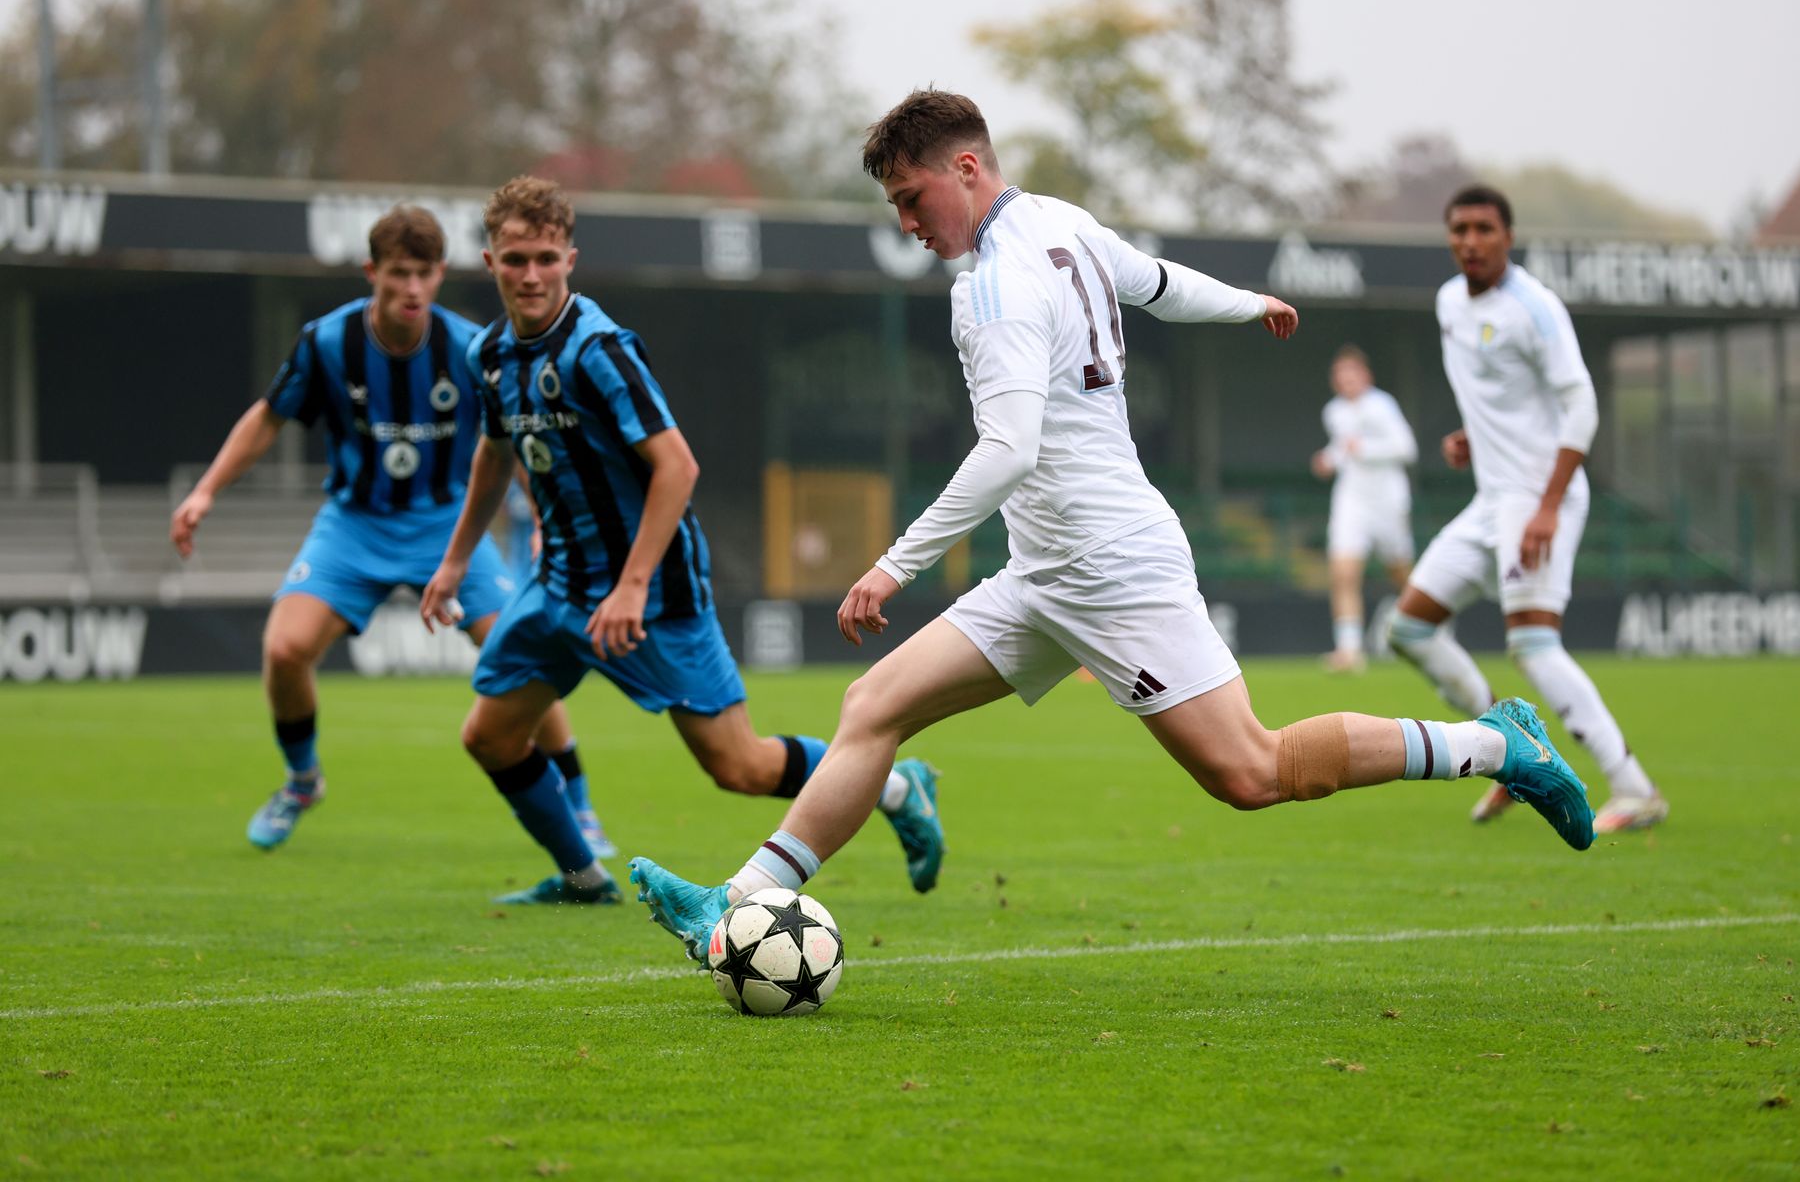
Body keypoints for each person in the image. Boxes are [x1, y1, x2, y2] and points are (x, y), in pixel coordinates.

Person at [627, 90, 1596, 962]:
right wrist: (1248, 304)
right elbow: (1160, 283)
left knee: (1251, 772)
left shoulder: (993, 287)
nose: (908, 223)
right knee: (872, 709)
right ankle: (739, 901)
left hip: (1111, 565)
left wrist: (891, 565)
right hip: (1044, 570)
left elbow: (1008, 448)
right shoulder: (1060, 221)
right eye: (895, 207)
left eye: (912, 199)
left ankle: (1498, 746)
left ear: (967, 170)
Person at [419, 176, 941, 906]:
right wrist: (453, 563)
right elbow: (494, 454)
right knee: (491, 735)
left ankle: (894, 787)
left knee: (741, 768)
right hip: (560, 584)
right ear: (490, 261)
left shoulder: (599, 349)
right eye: (514, 260)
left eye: (544, 257)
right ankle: (581, 878)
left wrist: (631, 586)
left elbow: (677, 467)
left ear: (569, 258)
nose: (531, 274)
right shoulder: (490, 354)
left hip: (654, 593)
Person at [170, 205, 605, 859]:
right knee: (285, 650)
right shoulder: (328, 342)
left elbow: (514, 439)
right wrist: (205, 490)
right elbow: (267, 418)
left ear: (440, 275)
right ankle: (302, 781)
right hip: (354, 525)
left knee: (520, 654)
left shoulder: (471, 348)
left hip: (447, 524)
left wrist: (542, 520)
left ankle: (578, 801)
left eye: (425, 274)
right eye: (399, 273)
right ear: (373, 271)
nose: (411, 289)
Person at [1385, 185, 1668, 836]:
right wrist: (1471, 436)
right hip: (1490, 500)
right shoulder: (1449, 302)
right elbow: (1501, 397)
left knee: (1535, 646)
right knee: (1408, 630)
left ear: (1508, 237)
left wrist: (1546, 507)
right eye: (1459, 229)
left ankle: (1634, 788)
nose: (1470, 240)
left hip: (1543, 499)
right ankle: (1508, 747)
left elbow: (1581, 407)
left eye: (1484, 228)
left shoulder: (1535, 307)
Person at [1310, 344, 1417, 672]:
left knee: (1399, 572)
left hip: (1387, 501)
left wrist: (1364, 448)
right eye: (1340, 375)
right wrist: (1328, 459)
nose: (1346, 380)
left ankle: (1431, 627)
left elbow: (1406, 448)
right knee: (1343, 571)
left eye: (1351, 373)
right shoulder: (1334, 411)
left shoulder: (1383, 405)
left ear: (1365, 376)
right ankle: (1349, 650)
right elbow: (1342, 448)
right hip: (1351, 500)